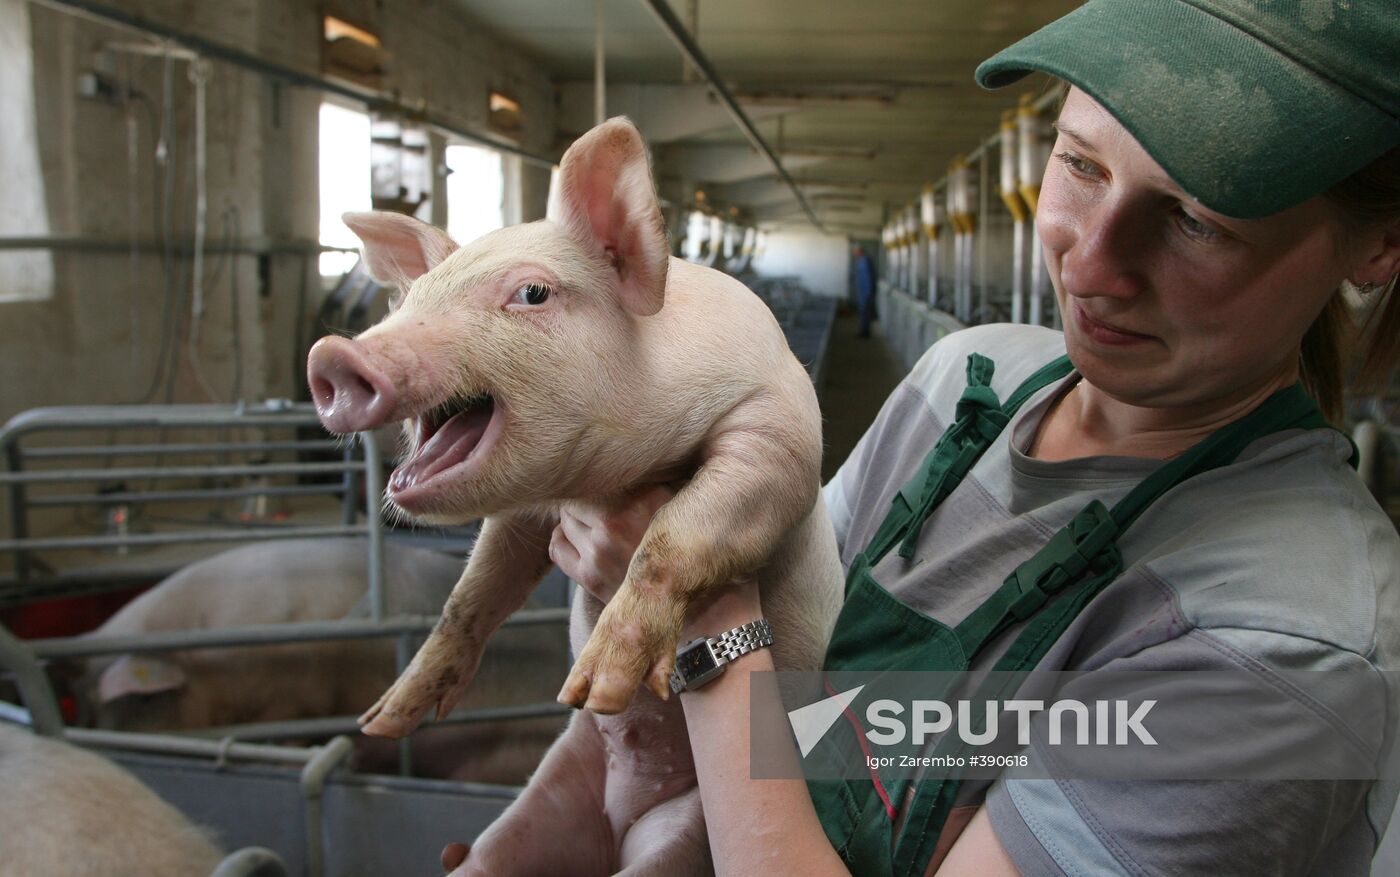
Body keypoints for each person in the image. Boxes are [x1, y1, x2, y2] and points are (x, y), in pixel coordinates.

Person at [519, 1, 1400, 874]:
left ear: (1378, 248)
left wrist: (698, 600)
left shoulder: (1284, 641)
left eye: (1197, 219)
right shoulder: (962, 381)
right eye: (1081, 165)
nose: (1090, 266)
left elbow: (750, 669)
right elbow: (791, 703)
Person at [853, 245, 877, 338]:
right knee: (863, 312)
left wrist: (869, 293)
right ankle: (863, 330)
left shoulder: (865, 261)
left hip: (865, 293)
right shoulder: (862, 260)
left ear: (859, 251)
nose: (853, 253)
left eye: (854, 251)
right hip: (863, 292)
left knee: (865, 312)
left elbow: (868, 278)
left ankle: (865, 332)